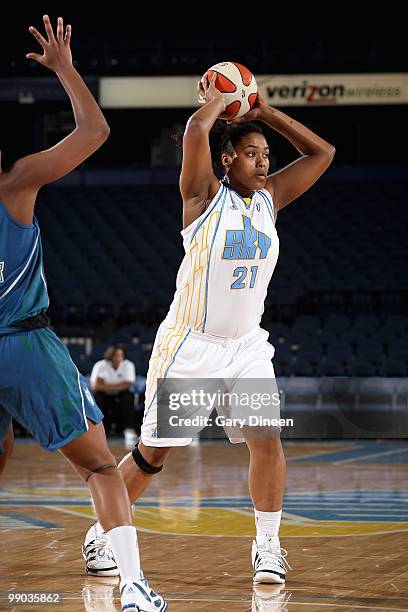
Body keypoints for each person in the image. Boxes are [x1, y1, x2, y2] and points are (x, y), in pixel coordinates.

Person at [83, 72, 335, 585]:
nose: (263, 161)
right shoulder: (202, 200)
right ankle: (99, 533)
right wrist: (218, 103)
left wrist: (263, 114)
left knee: (267, 441)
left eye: (265, 154)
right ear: (227, 160)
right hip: (191, 349)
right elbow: (196, 134)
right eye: (250, 153)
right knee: (154, 456)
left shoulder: (269, 201)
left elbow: (322, 154)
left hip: (246, 348)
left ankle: (267, 547)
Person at [0, 16, 166, 612]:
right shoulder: (14, 183)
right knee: (99, 466)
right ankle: (134, 585)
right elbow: (95, 131)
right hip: (23, 345)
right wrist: (66, 69)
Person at [90, 344, 138, 447]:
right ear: (111, 355)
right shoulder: (100, 365)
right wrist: (118, 385)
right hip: (105, 395)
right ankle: (99, 430)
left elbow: (128, 384)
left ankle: (129, 430)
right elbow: (95, 386)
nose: (118, 358)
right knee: (98, 397)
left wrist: (106, 385)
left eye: (121, 355)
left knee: (128, 396)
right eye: (116, 355)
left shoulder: (128, 365)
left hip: (121, 395)